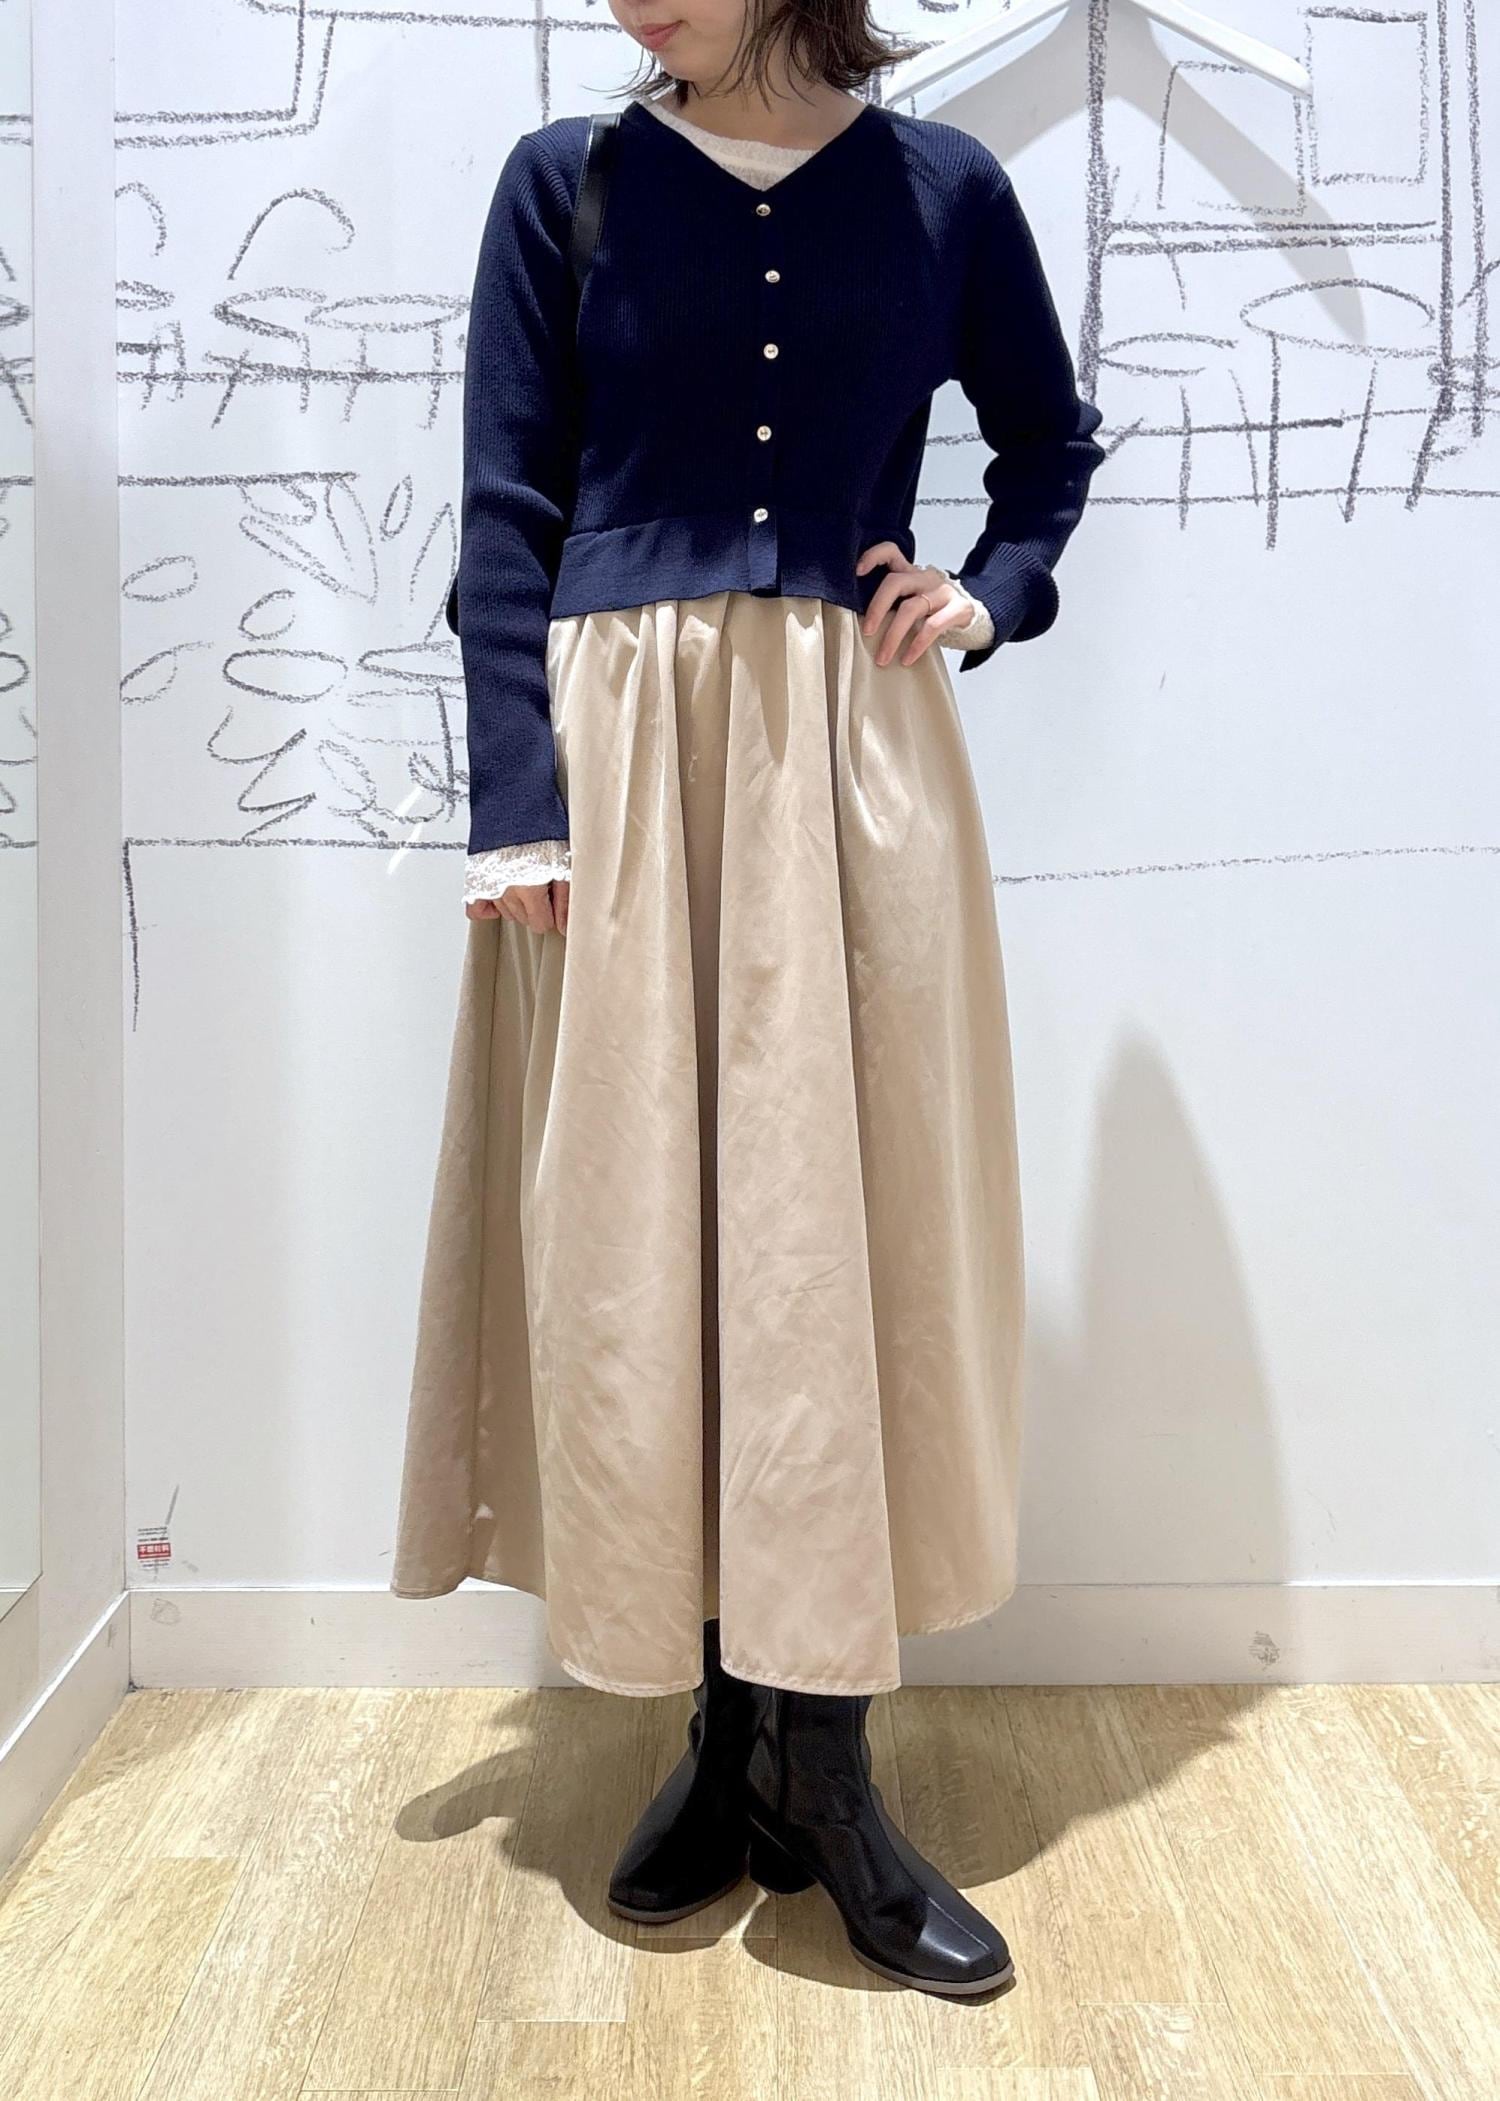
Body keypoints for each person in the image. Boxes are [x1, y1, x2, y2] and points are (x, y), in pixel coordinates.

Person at [391, 0, 1105, 1999]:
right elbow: (506, 510)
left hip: (856, 764)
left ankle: (826, 1764)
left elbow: (1048, 447)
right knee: (649, 1240)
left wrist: (988, 593)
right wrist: (515, 810)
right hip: (623, 776)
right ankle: (724, 1734)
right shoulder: (571, 184)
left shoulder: (943, 192)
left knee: (833, 1240)